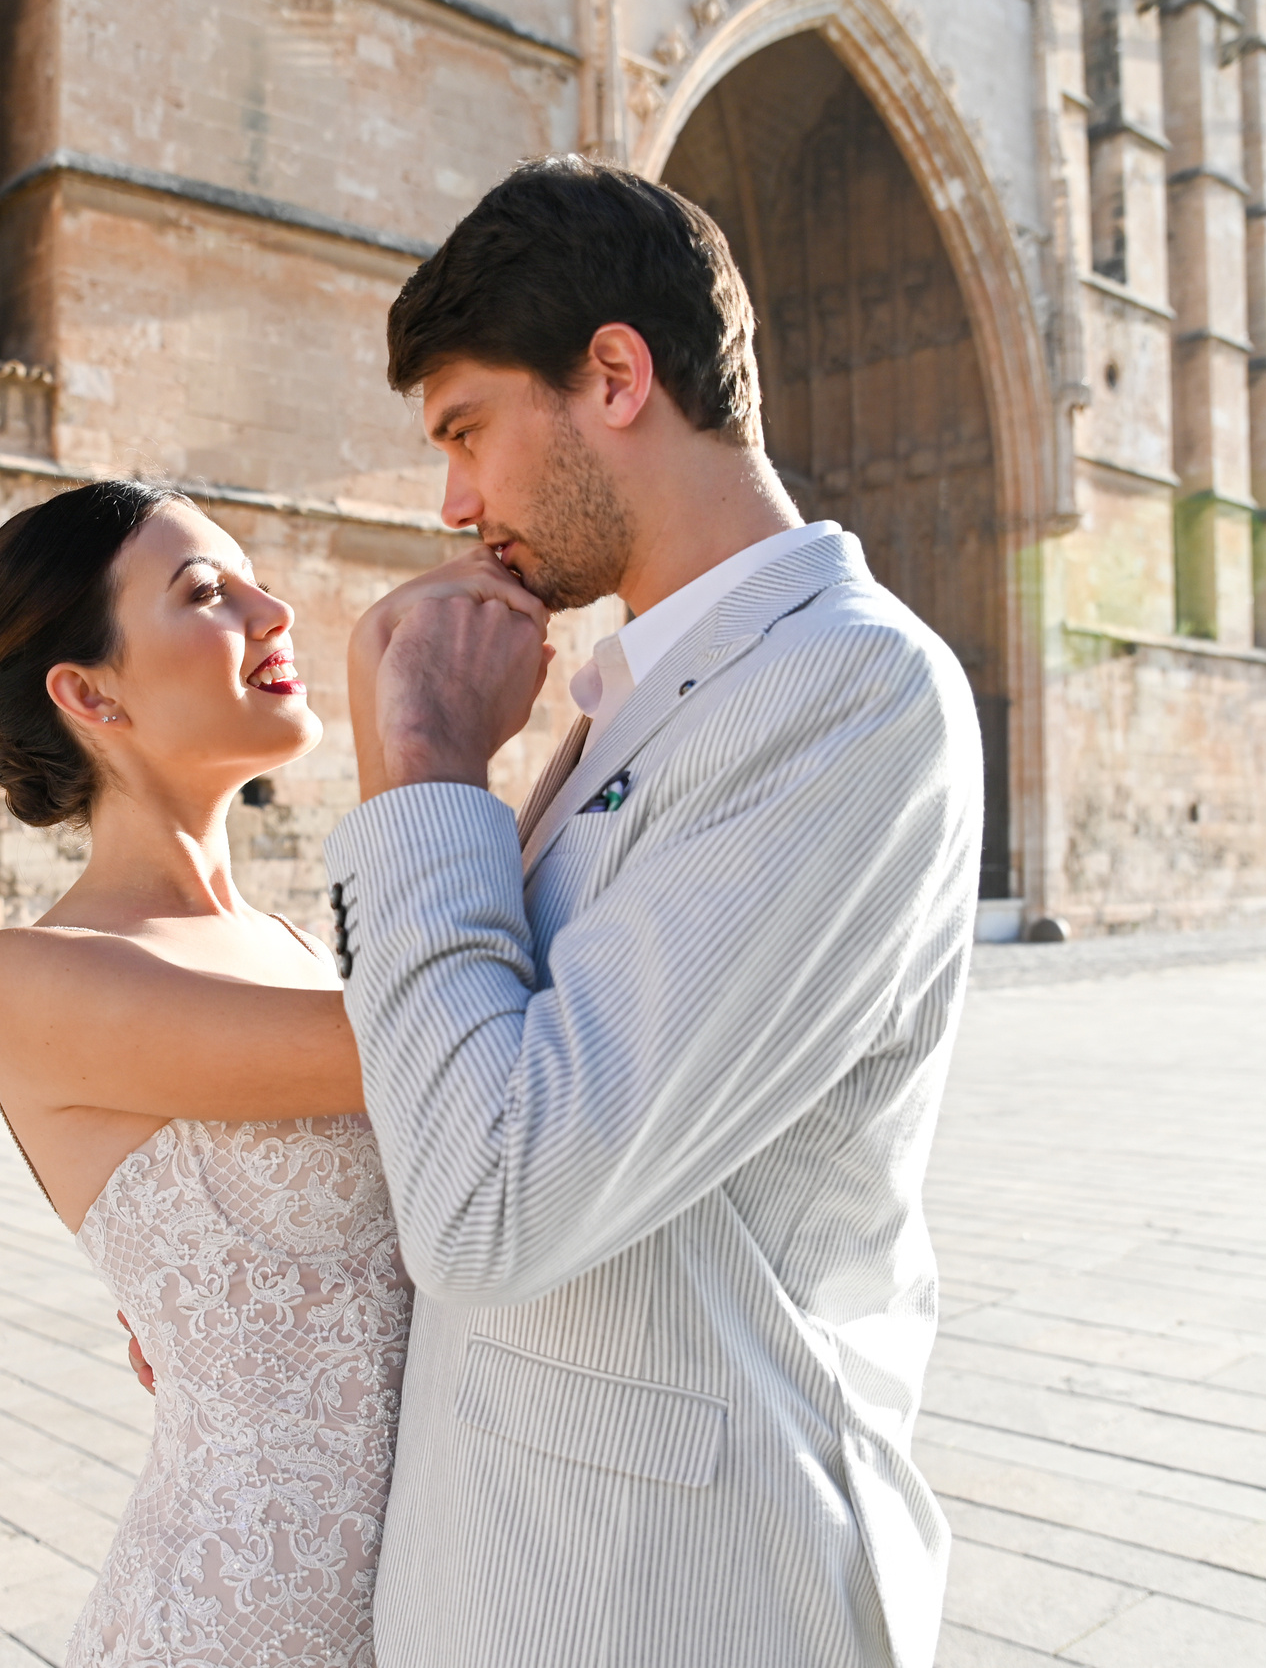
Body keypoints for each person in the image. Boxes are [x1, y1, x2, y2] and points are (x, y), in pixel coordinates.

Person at [323, 156, 982, 1667]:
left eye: (466, 429)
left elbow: (495, 1198)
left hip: (670, 1589)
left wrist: (423, 770)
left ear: (615, 375)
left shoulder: (848, 688)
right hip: (523, 1569)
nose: (452, 503)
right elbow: (458, 1079)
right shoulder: (650, 686)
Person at [0, 478, 537, 1668]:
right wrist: (403, 712)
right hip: (236, 1618)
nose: (274, 613)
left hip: (447, 1596)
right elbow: (446, 1040)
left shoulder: (294, 945)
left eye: (257, 582)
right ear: (89, 692)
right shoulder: (28, 976)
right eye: (208, 592)